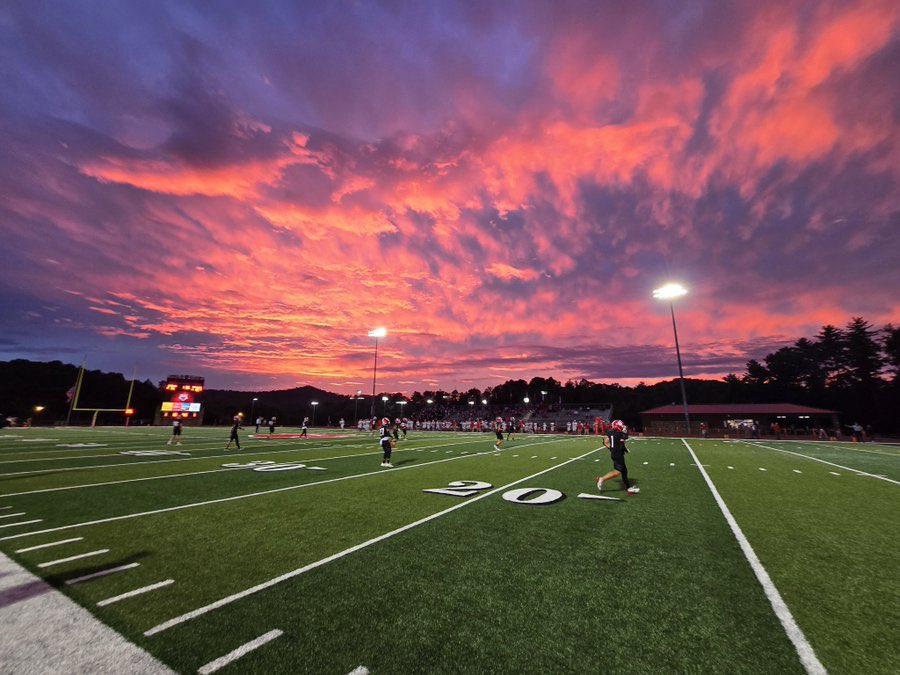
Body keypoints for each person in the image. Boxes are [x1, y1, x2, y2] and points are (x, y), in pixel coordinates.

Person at [596, 419, 639, 494]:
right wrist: (625, 432)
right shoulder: (620, 434)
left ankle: (628, 488)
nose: (622, 427)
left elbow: (605, 442)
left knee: (624, 471)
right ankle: (601, 479)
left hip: (615, 453)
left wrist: (612, 449)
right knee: (617, 472)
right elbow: (624, 438)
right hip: (618, 455)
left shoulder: (609, 432)